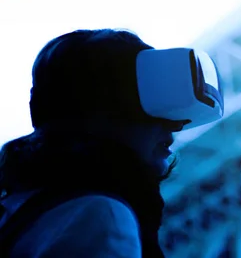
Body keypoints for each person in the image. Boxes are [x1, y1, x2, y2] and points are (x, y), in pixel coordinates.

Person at [0, 29, 192, 257]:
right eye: (149, 106)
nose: (173, 124)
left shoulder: (22, 207)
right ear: (97, 115)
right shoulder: (100, 216)